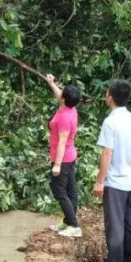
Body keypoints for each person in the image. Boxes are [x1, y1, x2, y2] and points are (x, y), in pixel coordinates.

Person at [93, 79, 131, 262]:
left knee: (115, 225)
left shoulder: (111, 122)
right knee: (130, 222)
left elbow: (107, 154)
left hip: (115, 181)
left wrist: (99, 181)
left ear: (110, 97)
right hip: (130, 179)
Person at [45, 74, 82, 238]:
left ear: (64, 100)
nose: (60, 94)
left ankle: (74, 226)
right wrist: (51, 83)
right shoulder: (71, 108)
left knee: (59, 191)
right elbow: (59, 94)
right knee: (71, 190)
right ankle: (68, 222)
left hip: (64, 158)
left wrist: (57, 165)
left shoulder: (65, 117)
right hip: (70, 155)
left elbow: (62, 142)